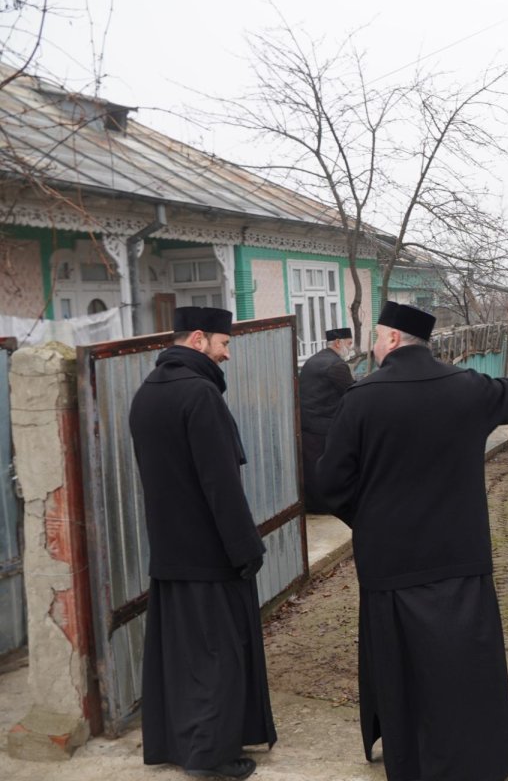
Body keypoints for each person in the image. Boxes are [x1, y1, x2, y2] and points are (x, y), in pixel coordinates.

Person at [317, 302, 508, 781]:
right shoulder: (467, 387)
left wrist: (372, 521)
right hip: (459, 554)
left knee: (402, 663)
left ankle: (412, 760)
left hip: (391, 561)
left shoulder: (360, 399)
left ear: (394, 339)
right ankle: (480, 758)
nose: (373, 346)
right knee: (466, 657)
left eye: (377, 337)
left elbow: (331, 485)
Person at [129, 306, 276, 780]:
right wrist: (246, 548)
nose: (227, 355)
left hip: (170, 550)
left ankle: (184, 744)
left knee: (185, 658)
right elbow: (220, 485)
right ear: (197, 339)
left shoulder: (147, 392)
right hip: (210, 552)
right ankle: (211, 756)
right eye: (223, 344)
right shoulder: (199, 394)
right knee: (218, 657)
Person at [298, 326, 355, 511]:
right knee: (324, 469)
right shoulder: (336, 365)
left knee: (311, 469)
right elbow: (352, 392)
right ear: (338, 343)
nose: (351, 348)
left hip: (307, 424)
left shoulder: (314, 360)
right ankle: (324, 506)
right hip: (323, 427)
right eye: (349, 343)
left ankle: (314, 505)